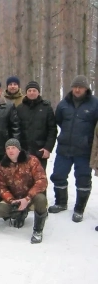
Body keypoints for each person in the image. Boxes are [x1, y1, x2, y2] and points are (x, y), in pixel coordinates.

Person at [49, 75, 98, 222]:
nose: (77, 89)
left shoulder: (94, 104)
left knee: (83, 179)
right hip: (64, 148)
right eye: (75, 87)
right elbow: (58, 121)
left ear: (86, 89)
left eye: (80, 87)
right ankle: (61, 203)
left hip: (84, 150)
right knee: (58, 175)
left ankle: (79, 208)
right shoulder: (64, 104)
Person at [0, 139, 48, 244]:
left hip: (31, 197)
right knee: (0, 210)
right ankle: (20, 214)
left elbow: (42, 181)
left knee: (41, 200)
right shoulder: (2, 165)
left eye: (13, 148)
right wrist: (11, 200)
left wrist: (27, 198)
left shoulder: (32, 160)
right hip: (15, 198)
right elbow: (1, 187)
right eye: (8, 148)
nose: (11, 151)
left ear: (19, 149)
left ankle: (38, 230)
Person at [16, 81, 57, 170]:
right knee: (23, 178)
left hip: (40, 150)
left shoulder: (46, 108)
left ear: (38, 92)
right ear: (26, 93)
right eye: (29, 90)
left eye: (34, 90)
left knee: (39, 178)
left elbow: (52, 130)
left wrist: (48, 148)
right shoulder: (20, 108)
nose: (31, 92)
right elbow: (16, 129)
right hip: (23, 150)